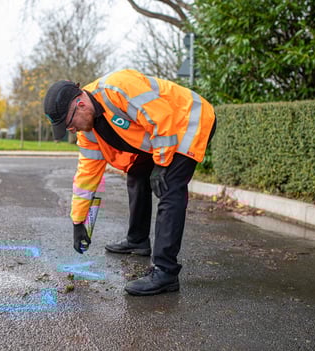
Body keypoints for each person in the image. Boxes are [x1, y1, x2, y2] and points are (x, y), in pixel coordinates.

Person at [43, 69, 216, 296]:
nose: (71, 130)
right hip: (162, 135)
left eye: (69, 123)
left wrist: (162, 165)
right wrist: (78, 222)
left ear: (81, 104)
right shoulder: (88, 132)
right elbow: (87, 176)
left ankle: (166, 272)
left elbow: (161, 117)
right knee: (136, 174)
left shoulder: (118, 87)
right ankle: (138, 240)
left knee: (170, 188)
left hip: (187, 122)